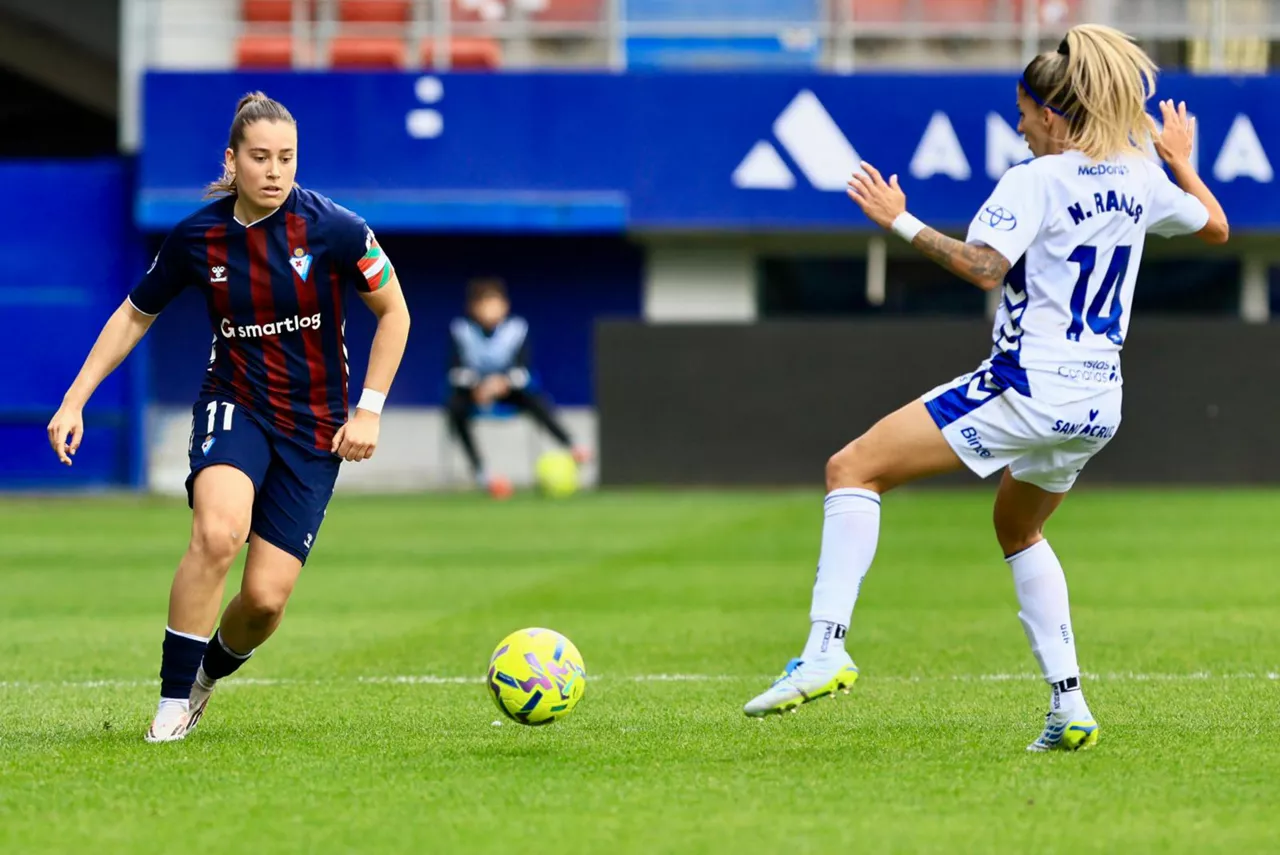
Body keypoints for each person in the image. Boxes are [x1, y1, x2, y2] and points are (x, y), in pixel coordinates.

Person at [742, 25, 1228, 752]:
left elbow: (982, 266)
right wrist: (1180, 163)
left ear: (1054, 115)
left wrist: (896, 219)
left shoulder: (1037, 179)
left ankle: (824, 648)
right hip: (1099, 402)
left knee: (852, 469)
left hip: (1028, 385)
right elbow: (1217, 226)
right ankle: (1069, 705)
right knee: (1018, 527)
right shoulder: (1136, 176)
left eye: (1024, 110)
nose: (1019, 123)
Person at [46, 92, 412, 743]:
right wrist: (75, 398)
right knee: (218, 532)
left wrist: (370, 411)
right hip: (234, 402)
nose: (275, 170)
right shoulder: (197, 237)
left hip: (316, 428)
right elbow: (134, 314)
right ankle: (168, 702)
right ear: (232, 159)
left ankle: (204, 677)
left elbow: (396, 312)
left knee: (266, 602)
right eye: (261, 157)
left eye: (287, 158)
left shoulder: (336, 229)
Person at [446, 277, 588, 497]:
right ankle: (482, 472)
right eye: (485, 303)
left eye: (496, 302)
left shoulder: (516, 329)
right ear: (474, 307)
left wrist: (501, 383)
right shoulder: (460, 330)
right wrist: (477, 386)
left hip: (507, 391)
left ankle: (572, 445)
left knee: (535, 399)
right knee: (454, 407)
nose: (491, 309)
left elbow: (523, 372)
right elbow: (454, 372)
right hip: (474, 393)